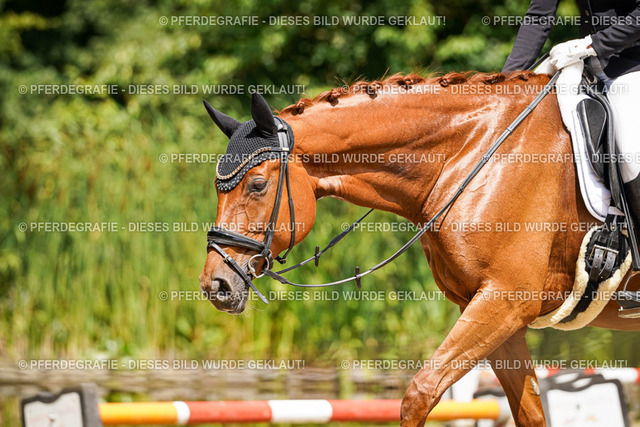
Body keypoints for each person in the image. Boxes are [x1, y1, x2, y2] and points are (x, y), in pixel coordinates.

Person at [503, 0, 640, 222]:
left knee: (630, 157)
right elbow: (539, 16)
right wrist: (507, 82)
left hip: (630, 63)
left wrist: (592, 45)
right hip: (582, 62)